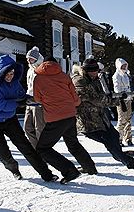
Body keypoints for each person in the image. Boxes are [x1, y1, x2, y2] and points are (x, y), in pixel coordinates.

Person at [0, 55, 58, 182]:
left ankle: (46, 174)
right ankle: (14, 169)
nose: (10, 76)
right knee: (3, 153)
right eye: (6, 74)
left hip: (10, 119)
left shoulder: (15, 83)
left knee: (26, 147)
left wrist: (31, 99)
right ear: (0, 72)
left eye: (12, 73)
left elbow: (21, 95)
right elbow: (1, 105)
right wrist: (17, 103)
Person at [72, 58, 134, 170]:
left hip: (100, 118)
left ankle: (119, 155)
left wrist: (114, 97)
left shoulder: (95, 79)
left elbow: (102, 95)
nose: (94, 72)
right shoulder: (79, 81)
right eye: (92, 70)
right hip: (87, 121)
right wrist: (116, 100)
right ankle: (129, 162)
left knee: (114, 136)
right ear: (86, 70)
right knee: (108, 141)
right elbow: (96, 99)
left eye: (95, 70)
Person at [34, 56, 96, 184]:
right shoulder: (64, 76)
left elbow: (37, 99)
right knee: (73, 143)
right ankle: (89, 167)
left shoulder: (38, 78)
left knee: (43, 148)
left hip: (55, 117)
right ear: (56, 64)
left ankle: (69, 170)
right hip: (70, 115)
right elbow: (75, 99)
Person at [23, 46, 46, 148]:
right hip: (29, 100)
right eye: (27, 58)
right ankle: (36, 148)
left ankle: (44, 151)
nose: (28, 60)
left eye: (31, 58)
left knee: (39, 128)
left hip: (39, 102)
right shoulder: (30, 70)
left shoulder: (42, 69)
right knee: (27, 127)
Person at [112, 58, 133, 147]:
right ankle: (118, 138)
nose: (124, 67)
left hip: (128, 99)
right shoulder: (117, 75)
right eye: (122, 65)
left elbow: (128, 87)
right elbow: (116, 87)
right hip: (121, 100)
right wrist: (121, 96)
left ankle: (128, 138)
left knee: (128, 119)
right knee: (122, 120)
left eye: (125, 65)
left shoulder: (125, 75)